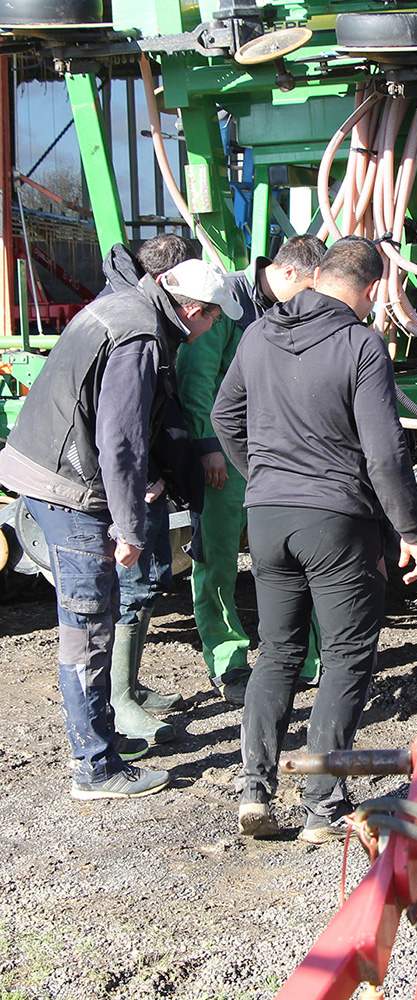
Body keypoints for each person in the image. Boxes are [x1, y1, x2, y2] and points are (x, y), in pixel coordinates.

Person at [211, 235, 417, 841]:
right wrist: (409, 529)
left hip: (268, 518)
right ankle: (322, 806)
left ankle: (254, 788)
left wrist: (264, 477)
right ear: (370, 289)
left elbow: (223, 417)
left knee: (277, 653)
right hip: (336, 521)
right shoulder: (360, 343)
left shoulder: (258, 332)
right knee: (345, 655)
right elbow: (386, 454)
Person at [0, 258, 241, 799]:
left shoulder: (127, 306)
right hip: (65, 486)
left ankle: (103, 739)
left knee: (95, 616)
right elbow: (120, 438)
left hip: (44, 468)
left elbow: (110, 414)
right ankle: (95, 766)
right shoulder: (142, 336)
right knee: (88, 623)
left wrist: (151, 476)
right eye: (212, 321)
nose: (210, 331)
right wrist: (130, 528)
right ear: (194, 311)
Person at [176, 234, 326, 705]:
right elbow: (195, 384)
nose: (311, 301)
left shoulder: (284, 306)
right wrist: (207, 447)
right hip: (225, 456)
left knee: (295, 556)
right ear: (283, 273)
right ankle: (228, 662)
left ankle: (306, 657)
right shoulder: (225, 307)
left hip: (275, 455)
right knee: (217, 560)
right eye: (307, 288)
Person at [101, 235, 201, 747]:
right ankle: (117, 700)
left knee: (144, 587)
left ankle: (129, 686)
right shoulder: (136, 328)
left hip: (147, 479)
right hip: (132, 486)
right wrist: (142, 481)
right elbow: (121, 425)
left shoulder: (141, 314)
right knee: (130, 590)